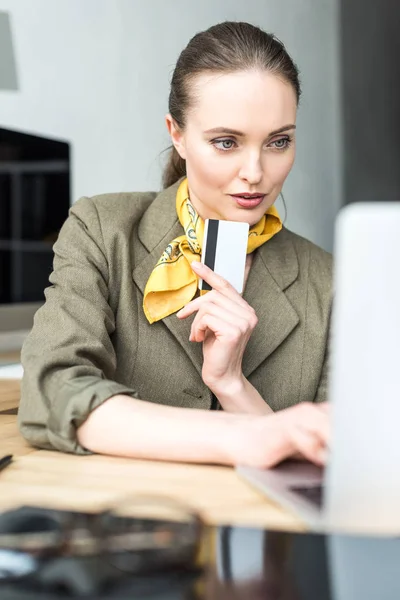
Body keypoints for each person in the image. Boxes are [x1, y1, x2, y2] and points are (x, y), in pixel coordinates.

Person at [18, 21, 332, 469]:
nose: (256, 172)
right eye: (226, 142)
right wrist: (240, 438)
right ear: (178, 135)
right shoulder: (102, 230)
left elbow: (331, 465)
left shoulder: (330, 281)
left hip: (267, 535)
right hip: (132, 526)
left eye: (278, 141)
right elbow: (53, 392)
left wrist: (233, 386)